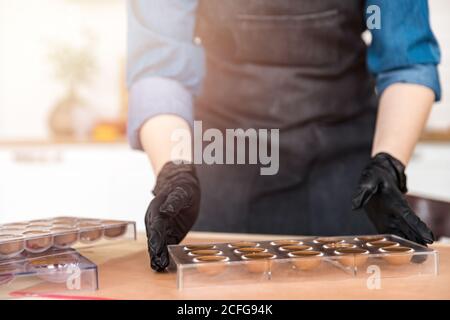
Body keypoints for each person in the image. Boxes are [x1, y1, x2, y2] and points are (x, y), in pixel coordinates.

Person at [127, 0, 440, 271]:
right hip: (225, 165)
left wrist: (388, 162)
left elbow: (407, 63)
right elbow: (161, 68)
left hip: (345, 177)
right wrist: (174, 170)